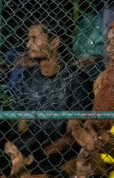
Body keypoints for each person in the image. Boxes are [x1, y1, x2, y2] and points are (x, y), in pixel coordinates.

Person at [8, 18, 89, 159]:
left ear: (54, 42)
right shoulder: (26, 78)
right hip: (29, 148)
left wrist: (39, 158)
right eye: (28, 39)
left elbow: (72, 135)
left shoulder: (78, 80)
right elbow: (22, 127)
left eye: (34, 39)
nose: (27, 45)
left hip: (61, 153)